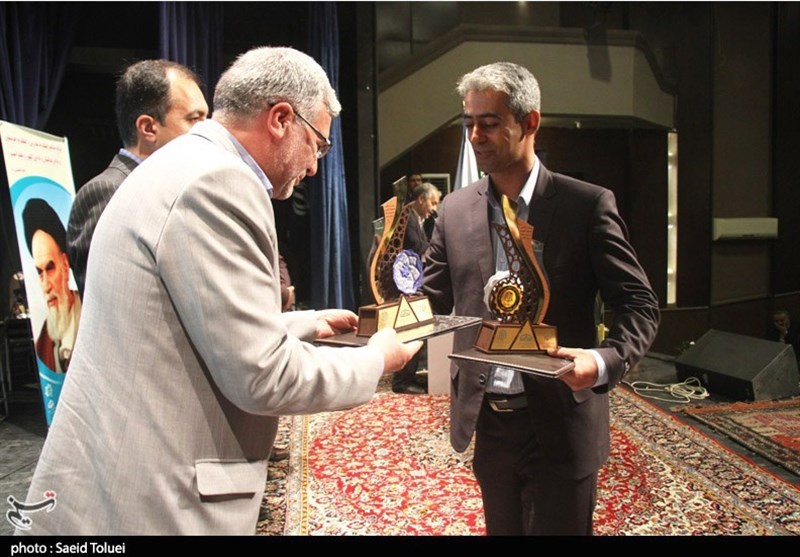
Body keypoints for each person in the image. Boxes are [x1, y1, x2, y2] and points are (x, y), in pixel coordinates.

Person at [18, 46, 420, 536]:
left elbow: (180, 318)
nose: (315, 167)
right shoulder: (220, 181)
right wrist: (377, 359)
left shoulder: (186, 162)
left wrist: (303, 323)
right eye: (317, 145)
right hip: (151, 499)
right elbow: (265, 377)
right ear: (281, 119)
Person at [422, 62, 659, 535]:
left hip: (562, 420)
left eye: (489, 123)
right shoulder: (455, 209)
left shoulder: (586, 205)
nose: (475, 136)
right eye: (469, 123)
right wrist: (375, 323)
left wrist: (604, 360)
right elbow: (428, 297)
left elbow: (638, 304)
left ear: (529, 122)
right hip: (489, 421)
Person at [66, 59, 209, 296]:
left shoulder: (176, 190)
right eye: (195, 119)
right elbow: (108, 299)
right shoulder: (107, 192)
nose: (207, 130)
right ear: (148, 128)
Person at [21, 199, 82, 373]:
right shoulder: (43, 345)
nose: (46, 286)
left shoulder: (91, 315)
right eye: (40, 272)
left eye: (50, 268)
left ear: (65, 264)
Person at [392, 182, 440, 394]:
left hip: (412, 283)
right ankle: (403, 381)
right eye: (433, 203)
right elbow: (417, 248)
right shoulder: (408, 218)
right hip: (404, 286)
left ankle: (409, 375)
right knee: (411, 329)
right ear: (421, 199)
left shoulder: (417, 219)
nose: (434, 209)